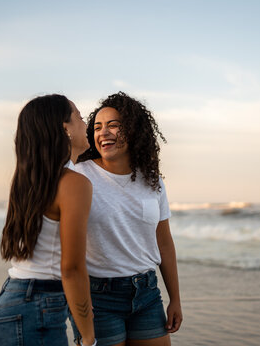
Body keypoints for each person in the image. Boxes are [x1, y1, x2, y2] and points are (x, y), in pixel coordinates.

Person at [75, 92, 182, 346]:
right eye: (98, 127)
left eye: (113, 125)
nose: (104, 133)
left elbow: (164, 242)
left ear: (133, 131)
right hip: (97, 298)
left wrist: (175, 298)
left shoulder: (152, 181)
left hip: (147, 294)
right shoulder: (79, 176)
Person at [0, 94, 96, 346]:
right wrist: (88, 336)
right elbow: (71, 268)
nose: (86, 124)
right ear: (65, 128)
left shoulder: (31, 181)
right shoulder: (73, 183)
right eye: (80, 117)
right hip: (37, 307)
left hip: (13, 300)